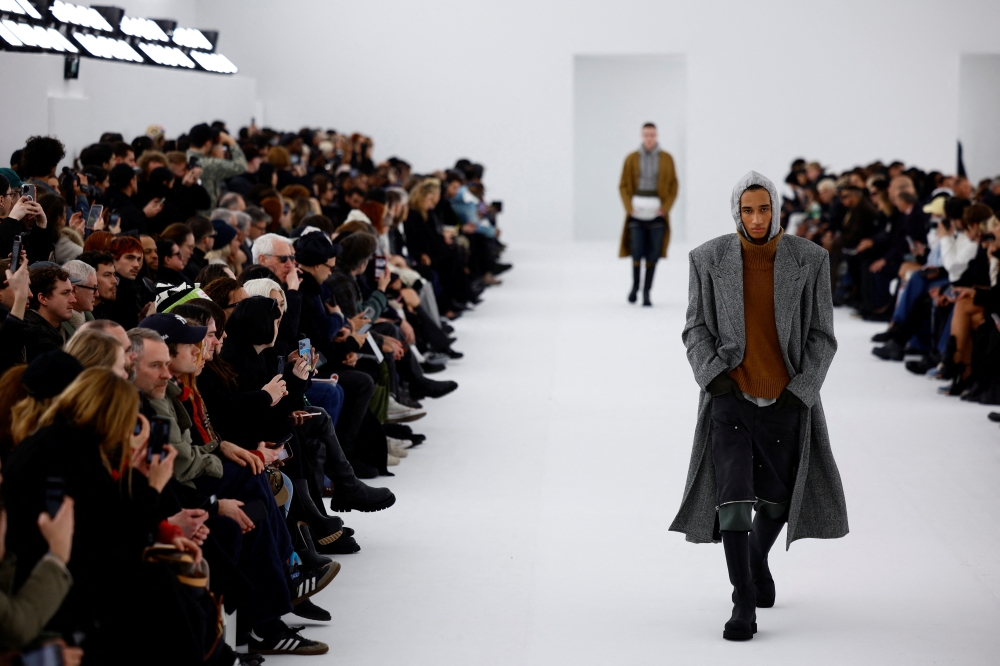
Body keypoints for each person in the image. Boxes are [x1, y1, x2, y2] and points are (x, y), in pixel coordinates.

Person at [670, 171, 848, 641]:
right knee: (732, 500)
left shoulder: (810, 259)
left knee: (778, 500)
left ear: (776, 209)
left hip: (785, 399)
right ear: (736, 211)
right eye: (747, 210)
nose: (755, 218)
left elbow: (822, 335)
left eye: (763, 209)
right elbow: (695, 327)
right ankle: (743, 600)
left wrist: (801, 390)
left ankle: (754, 560)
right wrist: (713, 376)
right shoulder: (707, 258)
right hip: (730, 397)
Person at [617, 122, 679, 306]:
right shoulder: (631, 158)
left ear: (656, 135)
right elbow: (623, 185)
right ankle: (635, 286)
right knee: (636, 250)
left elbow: (674, 185)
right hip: (637, 212)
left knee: (653, 252)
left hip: (657, 213)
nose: (649, 138)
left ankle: (646, 292)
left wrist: (665, 208)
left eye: (652, 134)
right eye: (646, 134)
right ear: (641, 136)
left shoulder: (667, 158)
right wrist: (629, 207)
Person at [185, 123, 248, 211]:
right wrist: (231, 141)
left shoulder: (186, 157)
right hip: (205, 215)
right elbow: (241, 166)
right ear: (208, 143)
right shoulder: (206, 163)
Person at [24, 266, 75, 360]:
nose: (73, 300)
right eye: (65, 293)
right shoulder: (34, 335)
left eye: (71, 293)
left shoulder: (60, 330)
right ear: (43, 298)